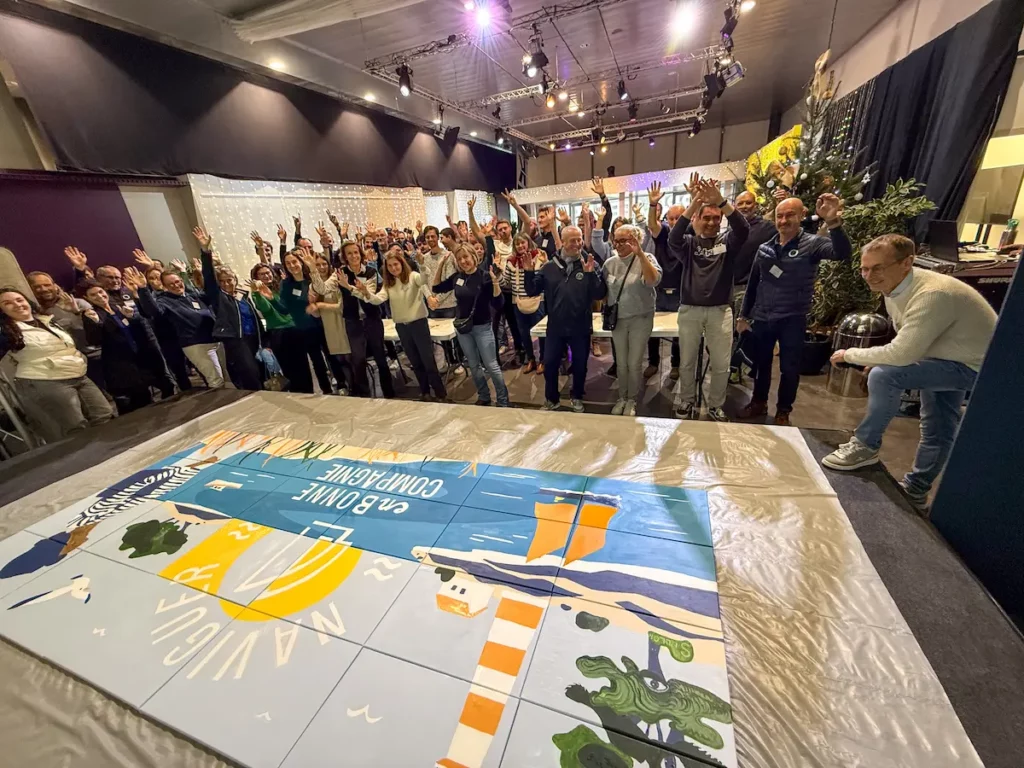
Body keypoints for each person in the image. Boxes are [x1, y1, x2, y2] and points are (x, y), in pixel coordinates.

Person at [822, 235, 998, 507]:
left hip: (975, 366)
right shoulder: (897, 287)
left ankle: (866, 445)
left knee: (885, 376)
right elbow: (909, 341)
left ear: (907, 262)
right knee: (937, 427)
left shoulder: (932, 293)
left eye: (877, 268)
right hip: (944, 357)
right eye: (864, 268)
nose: (869, 276)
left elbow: (903, 353)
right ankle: (916, 491)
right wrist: (885, 358)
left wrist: (851, 354)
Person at [737, 193, 851, 426]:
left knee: (790, 368)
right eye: (780, 216)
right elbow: (753, 284)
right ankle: (758, 402)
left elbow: (842, 254)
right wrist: (743, 315)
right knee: (761, 364)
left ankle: (783, 411)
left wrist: (833, 222)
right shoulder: (764, 249)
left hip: (793, 318)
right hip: (763, 316)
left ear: (801, 216)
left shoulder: (813, 244)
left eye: (790, 215)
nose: (784, 221)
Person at [662, 175, 750, 422]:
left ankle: (715, 405)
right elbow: (673, 237)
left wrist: (721, 201)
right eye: (706, 217)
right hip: (690, 310)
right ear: (698, 219)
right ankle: (687, 401)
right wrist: (696, 202)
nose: (712, 222)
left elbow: (743, 228)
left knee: (721, 364)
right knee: (687, 361)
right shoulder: (688, 244)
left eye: (716, 218)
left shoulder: (727, 242)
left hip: (721, 311)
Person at [0, 287, 114, 441]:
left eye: (19, 300)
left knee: (104, 413)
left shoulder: (46, 319)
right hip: (45, 380)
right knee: (75, 426)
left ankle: (108, 451)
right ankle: (89, 460)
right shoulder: (7, 331)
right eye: (7, 303)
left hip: (77, 373)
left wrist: (73, 313)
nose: (17, 305)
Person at [523, 225, 606, 412]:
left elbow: (600, 294)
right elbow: (531, 290)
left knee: (579, 365)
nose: (577, 244)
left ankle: (577, 396)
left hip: (581, 327)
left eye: (579, 239)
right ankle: (551, 399)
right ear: (562, 241)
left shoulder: (590, 263)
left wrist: (590, 274)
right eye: (573, 240)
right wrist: (528, 272)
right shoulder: (550, 267)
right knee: (550, 364)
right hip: (555, 328)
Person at [183, 228, 264, 391]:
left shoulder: (243, 295)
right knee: (250, 374)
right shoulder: (218, 296)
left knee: (260, 370)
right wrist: (206, 251)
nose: (227, 283)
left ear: (235, 279)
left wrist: (265, 340)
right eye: (223, 281)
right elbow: (209, 277)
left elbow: (253, 317)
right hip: (236, 340)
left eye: (230, 280)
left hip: (253, 338)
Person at [361, 250, 447, 401]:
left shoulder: (413, 276)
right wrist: (365, 294)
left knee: (428, 361)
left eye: (396, 264)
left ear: (402, 263)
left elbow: (424, 279)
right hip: (402, 327)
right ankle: (425, 392)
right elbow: (378, 299)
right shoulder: (389, 284)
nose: (394, 268)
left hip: (418, 324)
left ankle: (440, 393)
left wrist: (421, 264)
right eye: (390, 266)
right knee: (415, 361)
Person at [431, 244, 508, 407]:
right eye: (460, 259)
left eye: (466, 257)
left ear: (474, 257)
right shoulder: (457, 277)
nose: (463, 261)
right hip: (463, 329)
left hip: (483, 327)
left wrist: (495, 284)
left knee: (491, 365)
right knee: (473, 365)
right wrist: (440, 266)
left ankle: (502, 399)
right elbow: (436, 287)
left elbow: (498, 304)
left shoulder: (485, 276)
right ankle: (483, 395)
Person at [80, 277, 169, 413]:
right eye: (93, 295)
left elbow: (139, 329)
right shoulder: (92, 315)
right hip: (121, 367)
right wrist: (96, 323)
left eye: (100, 292)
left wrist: (132, 318)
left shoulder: (118, 308)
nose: (99, 296)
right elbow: (94, 340)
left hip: (140, 361)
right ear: (86, 298)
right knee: (135, 405)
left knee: (151, 396)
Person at [132, 262, 228, 389]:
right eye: (171, 284)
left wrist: (205, 257)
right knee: (216, 380)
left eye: (177, 281)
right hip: (196, 345)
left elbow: (211, 290)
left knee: (227, 378)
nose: (176, 285)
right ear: (165, 287)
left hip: (215, 340)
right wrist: (143, 289)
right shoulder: (164, 301)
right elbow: (153, 311)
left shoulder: (192, 296)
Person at [603, 224, 662, 416]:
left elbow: (653, 281)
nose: (618, 244)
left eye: (624, 240)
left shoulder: (647, 259)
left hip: (641, 318)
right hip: (618, 319)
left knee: (634, 362)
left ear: (636, 240)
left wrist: (641, 255)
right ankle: (622, 397)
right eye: (616, 240)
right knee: (621, 362)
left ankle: (632, 400)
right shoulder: (610, 263)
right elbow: (603, 290)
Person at [261, 247, 335, 394]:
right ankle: (321, 392)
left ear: (300, 262)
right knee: (311, 364)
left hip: (320, 325)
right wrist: (271, 299)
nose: (292, 265)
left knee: (328, 359)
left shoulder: (311, 279)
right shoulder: (286, 284)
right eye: (288, 263)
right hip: (300, 330)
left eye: (294, 261)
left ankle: (335, 387)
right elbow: (284, 310)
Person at [332, 242, 395, 399]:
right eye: (349, 253)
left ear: (360, 254)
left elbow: (370, 296)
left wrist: (349, 287)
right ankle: (364, 394)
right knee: (358, 360)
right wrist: (313, 271)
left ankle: (389, 393)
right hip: (353, 322)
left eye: (356, 252)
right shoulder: (340, 273)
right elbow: (323, 288)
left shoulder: (371, 272)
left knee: (380, 356)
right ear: (344, 257)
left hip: (372, 319)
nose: (354, 256)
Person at [467, 196, 524, 364]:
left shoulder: (518, 242)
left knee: (515, 325)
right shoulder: (492, 243)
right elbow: (477, 232)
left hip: (514, 290)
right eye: (500, 229)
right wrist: (470, 211)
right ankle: (494, 358)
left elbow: (527, 224)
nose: (503, 231)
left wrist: (515, 204)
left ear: (510, 229)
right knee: (493, 325)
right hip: (495, 291)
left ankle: (521, 352)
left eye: (505, 228)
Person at [249, 263, 311, 393]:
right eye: (262, 274)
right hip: (278, 332)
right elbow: (265, 308)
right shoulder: (257, 293)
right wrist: (259, 293)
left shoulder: (281, 288)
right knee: (289, 368)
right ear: (256, 278)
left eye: (268, 272)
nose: (266, 276)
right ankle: (298, 394)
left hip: (294, 329)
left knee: (303, 365)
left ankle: (309, 392)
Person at [644, 194, 685, 381]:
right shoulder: (664, 234)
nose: (675, 221)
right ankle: (653, 363)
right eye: (671, 218)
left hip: (680, 293)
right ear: (666, 219)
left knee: (679, 332)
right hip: (659, 292)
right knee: (653, 330)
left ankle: (675, 365)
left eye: (679, 217)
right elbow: (652, 225)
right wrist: (653, 204)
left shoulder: (689, 234)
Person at [500, 234, 547, 374]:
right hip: (518, 301)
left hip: (538, 300)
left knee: (541, 332)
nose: (521, 246)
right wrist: (497, 272)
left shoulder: (539, 257)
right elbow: (505, 282)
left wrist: (543, 263)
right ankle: (531, 359)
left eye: (523, 243)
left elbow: (544, 278)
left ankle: (543, 360)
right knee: (524, 332)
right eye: (517, 244)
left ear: (528, 243)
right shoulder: (511, 262)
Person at [308, 251, 352, 393]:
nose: (322, 267)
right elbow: (316, 314)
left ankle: (356, 387)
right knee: (337, 360)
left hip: (343, 323)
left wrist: (321, 305)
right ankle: (344, 385)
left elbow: (341, 306)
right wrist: (313, 306)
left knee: (350, 359)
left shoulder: (336, 280)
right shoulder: (312, 286)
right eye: (318, 265)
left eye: (324, 264)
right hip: (328, 327)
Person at [503, 189, 562, 260]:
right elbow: (527, 221)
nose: (539, 220)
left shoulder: (558, 236)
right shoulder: (537, 240)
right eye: (538, 217)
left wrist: (552, 224)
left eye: (542, 217)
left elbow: (560, 252)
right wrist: (515, 205)